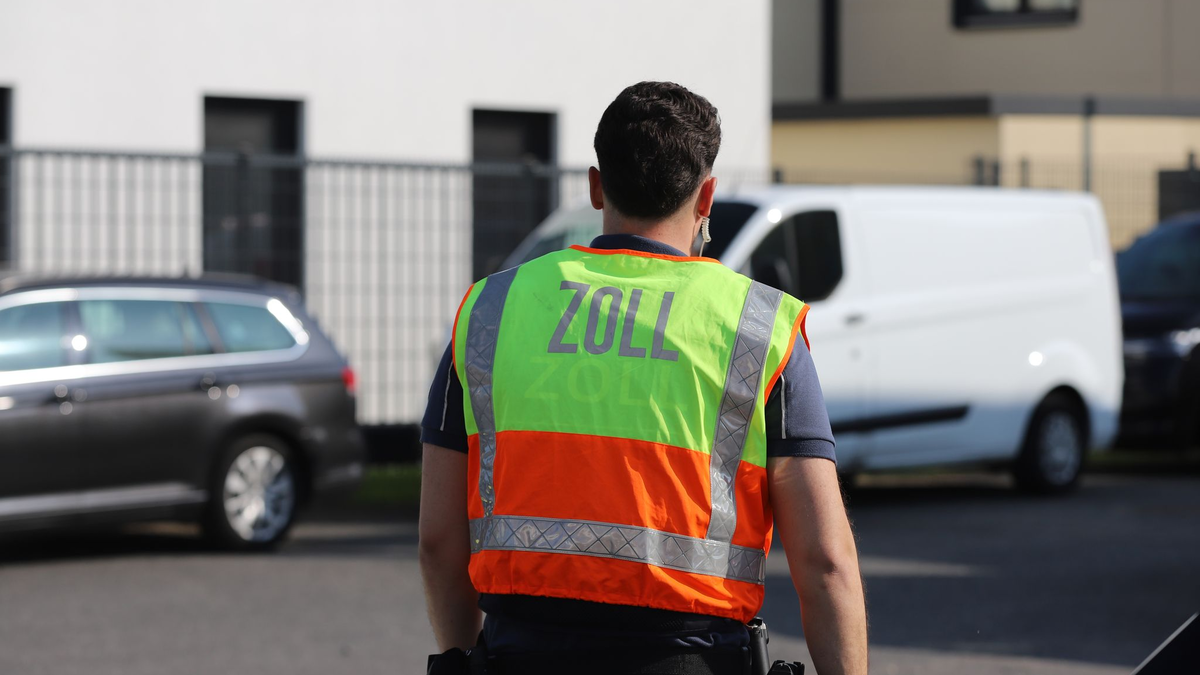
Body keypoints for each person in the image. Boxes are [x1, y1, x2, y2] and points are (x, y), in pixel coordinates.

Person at [419, 81, 868, 675]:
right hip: (691, 658)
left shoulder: (490, 311)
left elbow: (438, 542)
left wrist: (464, 654)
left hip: (519, 653)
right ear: (706, 197)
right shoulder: (759, 328)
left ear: (596, 186)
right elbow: (825, 563)